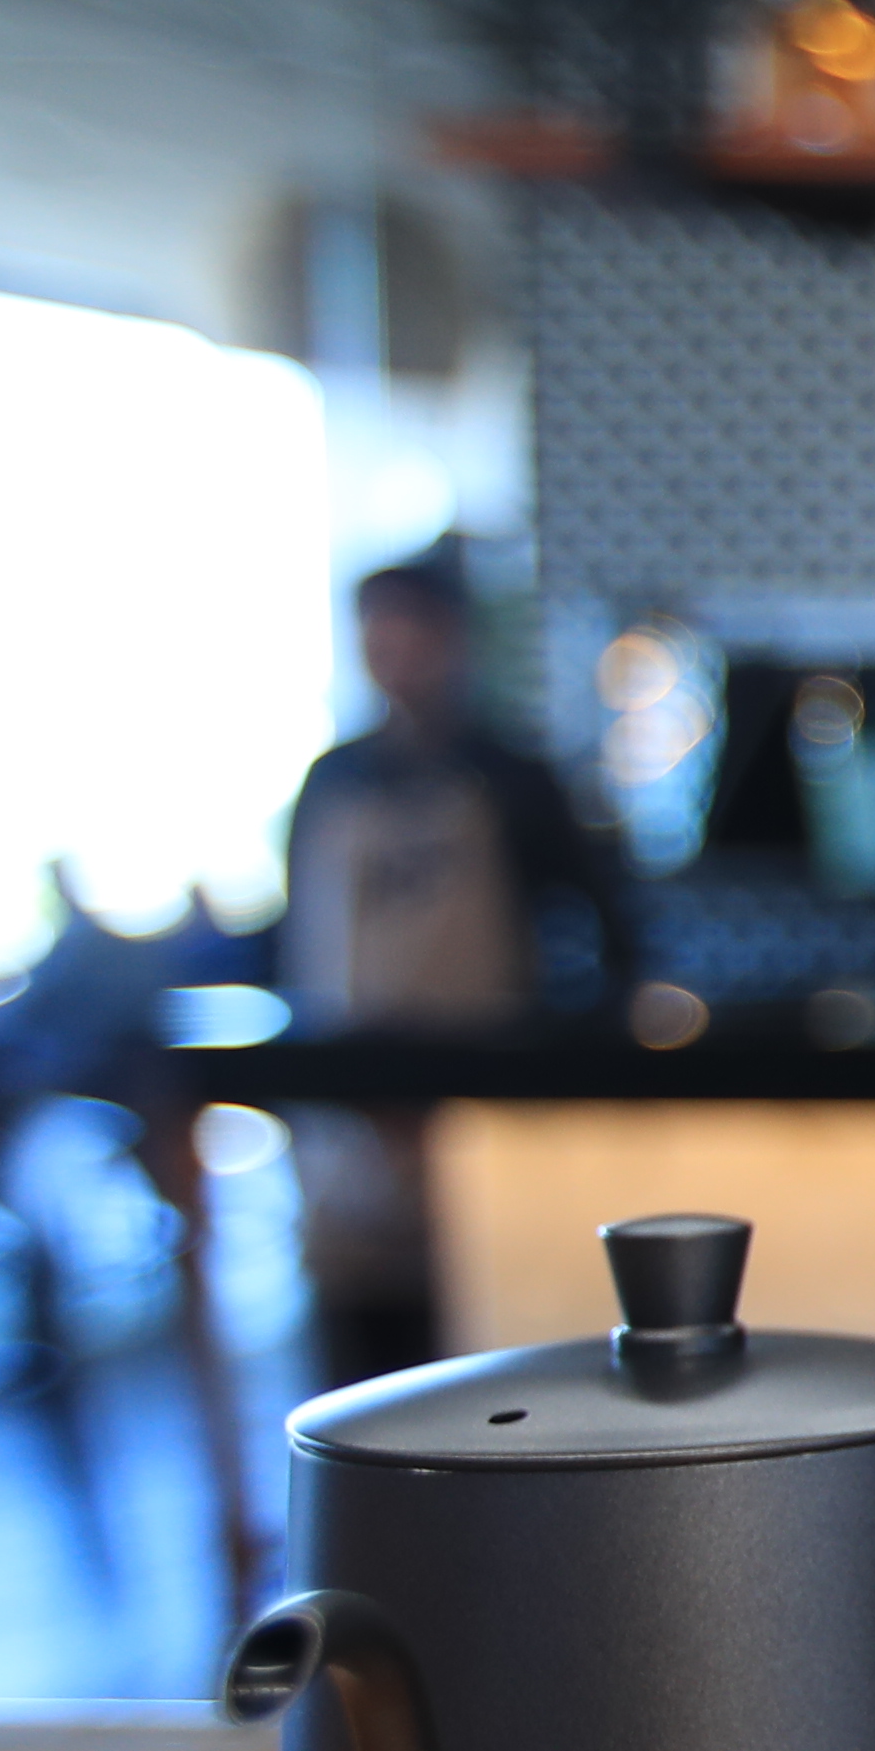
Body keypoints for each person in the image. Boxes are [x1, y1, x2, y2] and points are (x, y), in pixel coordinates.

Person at [279, 556, 637, 1382]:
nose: (394, 656)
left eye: (411, 634)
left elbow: (611, 934)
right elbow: (296, 948)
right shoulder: (330, 782)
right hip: (351, 1114)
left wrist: (553, 1056)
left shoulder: (512, 776)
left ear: (454, 642)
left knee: (490, 1342)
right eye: (377, 636)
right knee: (361, 1351)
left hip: (481, 1105)